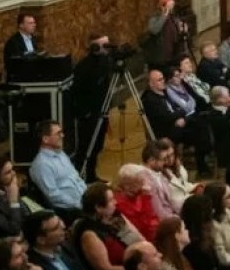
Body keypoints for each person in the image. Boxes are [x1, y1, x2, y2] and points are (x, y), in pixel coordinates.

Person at [141, 69, 216, 177]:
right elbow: (166, 117)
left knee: (201, 121)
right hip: (166, 131)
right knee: (198, 129)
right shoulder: (149, 99)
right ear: (151, 84)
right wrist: (180, 113)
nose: (163, 81)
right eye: (159, 80)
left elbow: (176, 108)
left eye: (163, 78)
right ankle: (202, 162)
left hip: (178, 124)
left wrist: (182, 117)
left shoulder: (164, 92)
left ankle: (203, 158)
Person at [73, 182, 140, 270]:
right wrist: (136, 269)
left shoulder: (110, 219)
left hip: (130, 267)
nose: (116, 202)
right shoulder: (89, 233)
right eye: (111, 200)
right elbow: (105, 269)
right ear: (98, 207)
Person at [67, 36, 115, 182]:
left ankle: (92, 175)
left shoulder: (105, 61)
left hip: (101, 110)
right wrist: (84, 113)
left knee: (97, 147)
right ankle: (82, 177)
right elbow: (77, 92)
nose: (107, 47)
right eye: (103, 45)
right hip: (89, 115)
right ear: (95, 47)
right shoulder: (83, 66)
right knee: (86, 148)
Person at [29, 121, 88, 220]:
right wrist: (80, 204)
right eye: (58, 133)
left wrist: (89, 197)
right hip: (69, 212)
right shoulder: (41, 165)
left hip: (83, 203)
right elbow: (54, 196)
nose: (63, 135)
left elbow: (77, 178)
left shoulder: (61, 154)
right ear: (45, 139)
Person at [0, 157, 32, 246]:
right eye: (8, 172)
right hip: (7, 246)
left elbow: (28, 216)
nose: (14, 174)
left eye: (12, 170)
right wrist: (13, 202)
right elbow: (13, 229)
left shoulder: (10, 187)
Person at [114, 164, 160, 242]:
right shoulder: (119, 203)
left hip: (154, 236)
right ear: (128, 186)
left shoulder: (139, 195)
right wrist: (146, 199)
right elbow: (145, 228)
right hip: (141, 242)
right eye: (141, 182)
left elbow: (154, 219)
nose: (145, 185)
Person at [145, 0, 190, 72]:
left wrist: (183, 30)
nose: (171, 8)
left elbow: (180, 33)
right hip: (161, 54)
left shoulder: (174, 17)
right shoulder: (155, 17)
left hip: (175, 51)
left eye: (172, 6)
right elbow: (154, 30)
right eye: (170, 6)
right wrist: (164, 15)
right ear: (163, 6)